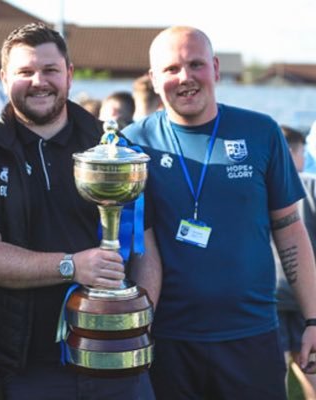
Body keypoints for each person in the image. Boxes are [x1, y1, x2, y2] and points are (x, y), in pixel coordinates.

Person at [0, 22, 161, 400]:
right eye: (25, 72)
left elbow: (144, 248)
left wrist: (132, 327)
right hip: (27, 370)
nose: (39, 81)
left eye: (50, 70)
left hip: (116, 364)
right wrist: (72, 264)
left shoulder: (114, 148)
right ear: (3, 78)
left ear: (68, 73)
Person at [123, 26, 316, 400]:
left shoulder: (260, 132)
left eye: (196, 64)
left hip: (252, 336)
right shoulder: (133, 143)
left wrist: (312, 318)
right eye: (171, 69)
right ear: (153, 78)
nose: (185, 78)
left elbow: (291, 230)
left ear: (214, 68)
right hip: (167, 339)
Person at [276, 125, 316, 399]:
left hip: (271, 293)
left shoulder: (264, 185)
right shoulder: (311, 183)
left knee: (273, 375)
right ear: (292, 151)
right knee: (310, 372)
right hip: (307, 294)